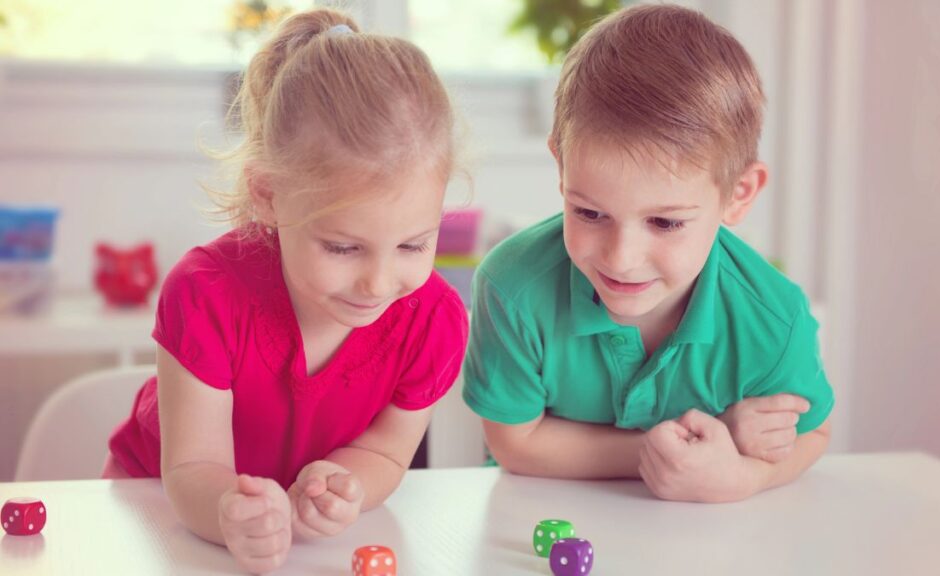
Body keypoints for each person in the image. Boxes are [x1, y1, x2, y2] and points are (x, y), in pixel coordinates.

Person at [104, 8, 467, 572]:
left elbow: (386, 451)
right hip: (156, 513)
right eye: (343, 248)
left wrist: (347, 485)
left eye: (414, 245)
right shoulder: (205, 294)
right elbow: (189, 469)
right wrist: (228, 509)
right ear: (268, 195)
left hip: (297, 543)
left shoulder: (434, 321)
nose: (378, 283)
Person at [462, 4, 833, 503]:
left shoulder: (774, 319)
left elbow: (812, 433)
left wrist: (744, 475)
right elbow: (516, 443)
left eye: (665, 222)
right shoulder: (512, 286)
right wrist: (693, 442)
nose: (621, 257)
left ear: (739, 194)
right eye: (590, 213)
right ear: (561, 164)